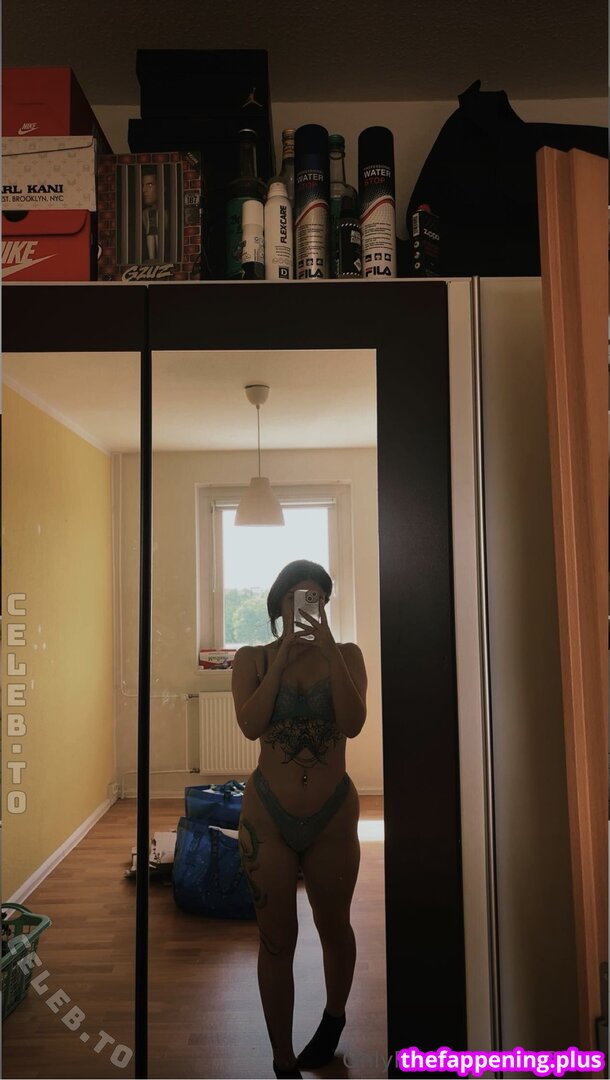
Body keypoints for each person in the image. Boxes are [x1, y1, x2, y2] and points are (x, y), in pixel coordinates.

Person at [231, 560, 367, 1079]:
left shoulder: (347, 655)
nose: (306, 608)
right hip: (268, 816)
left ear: (326, 606)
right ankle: (282, 1058)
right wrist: (284, 653)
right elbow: (250, 724)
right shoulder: (253, 658)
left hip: (333, 816)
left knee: (334, 924)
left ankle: (333, 1019)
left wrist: (328, 650)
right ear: (279, 605)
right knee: (275, 939)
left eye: (316, 599)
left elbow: (353, 723)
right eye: (296, 598)